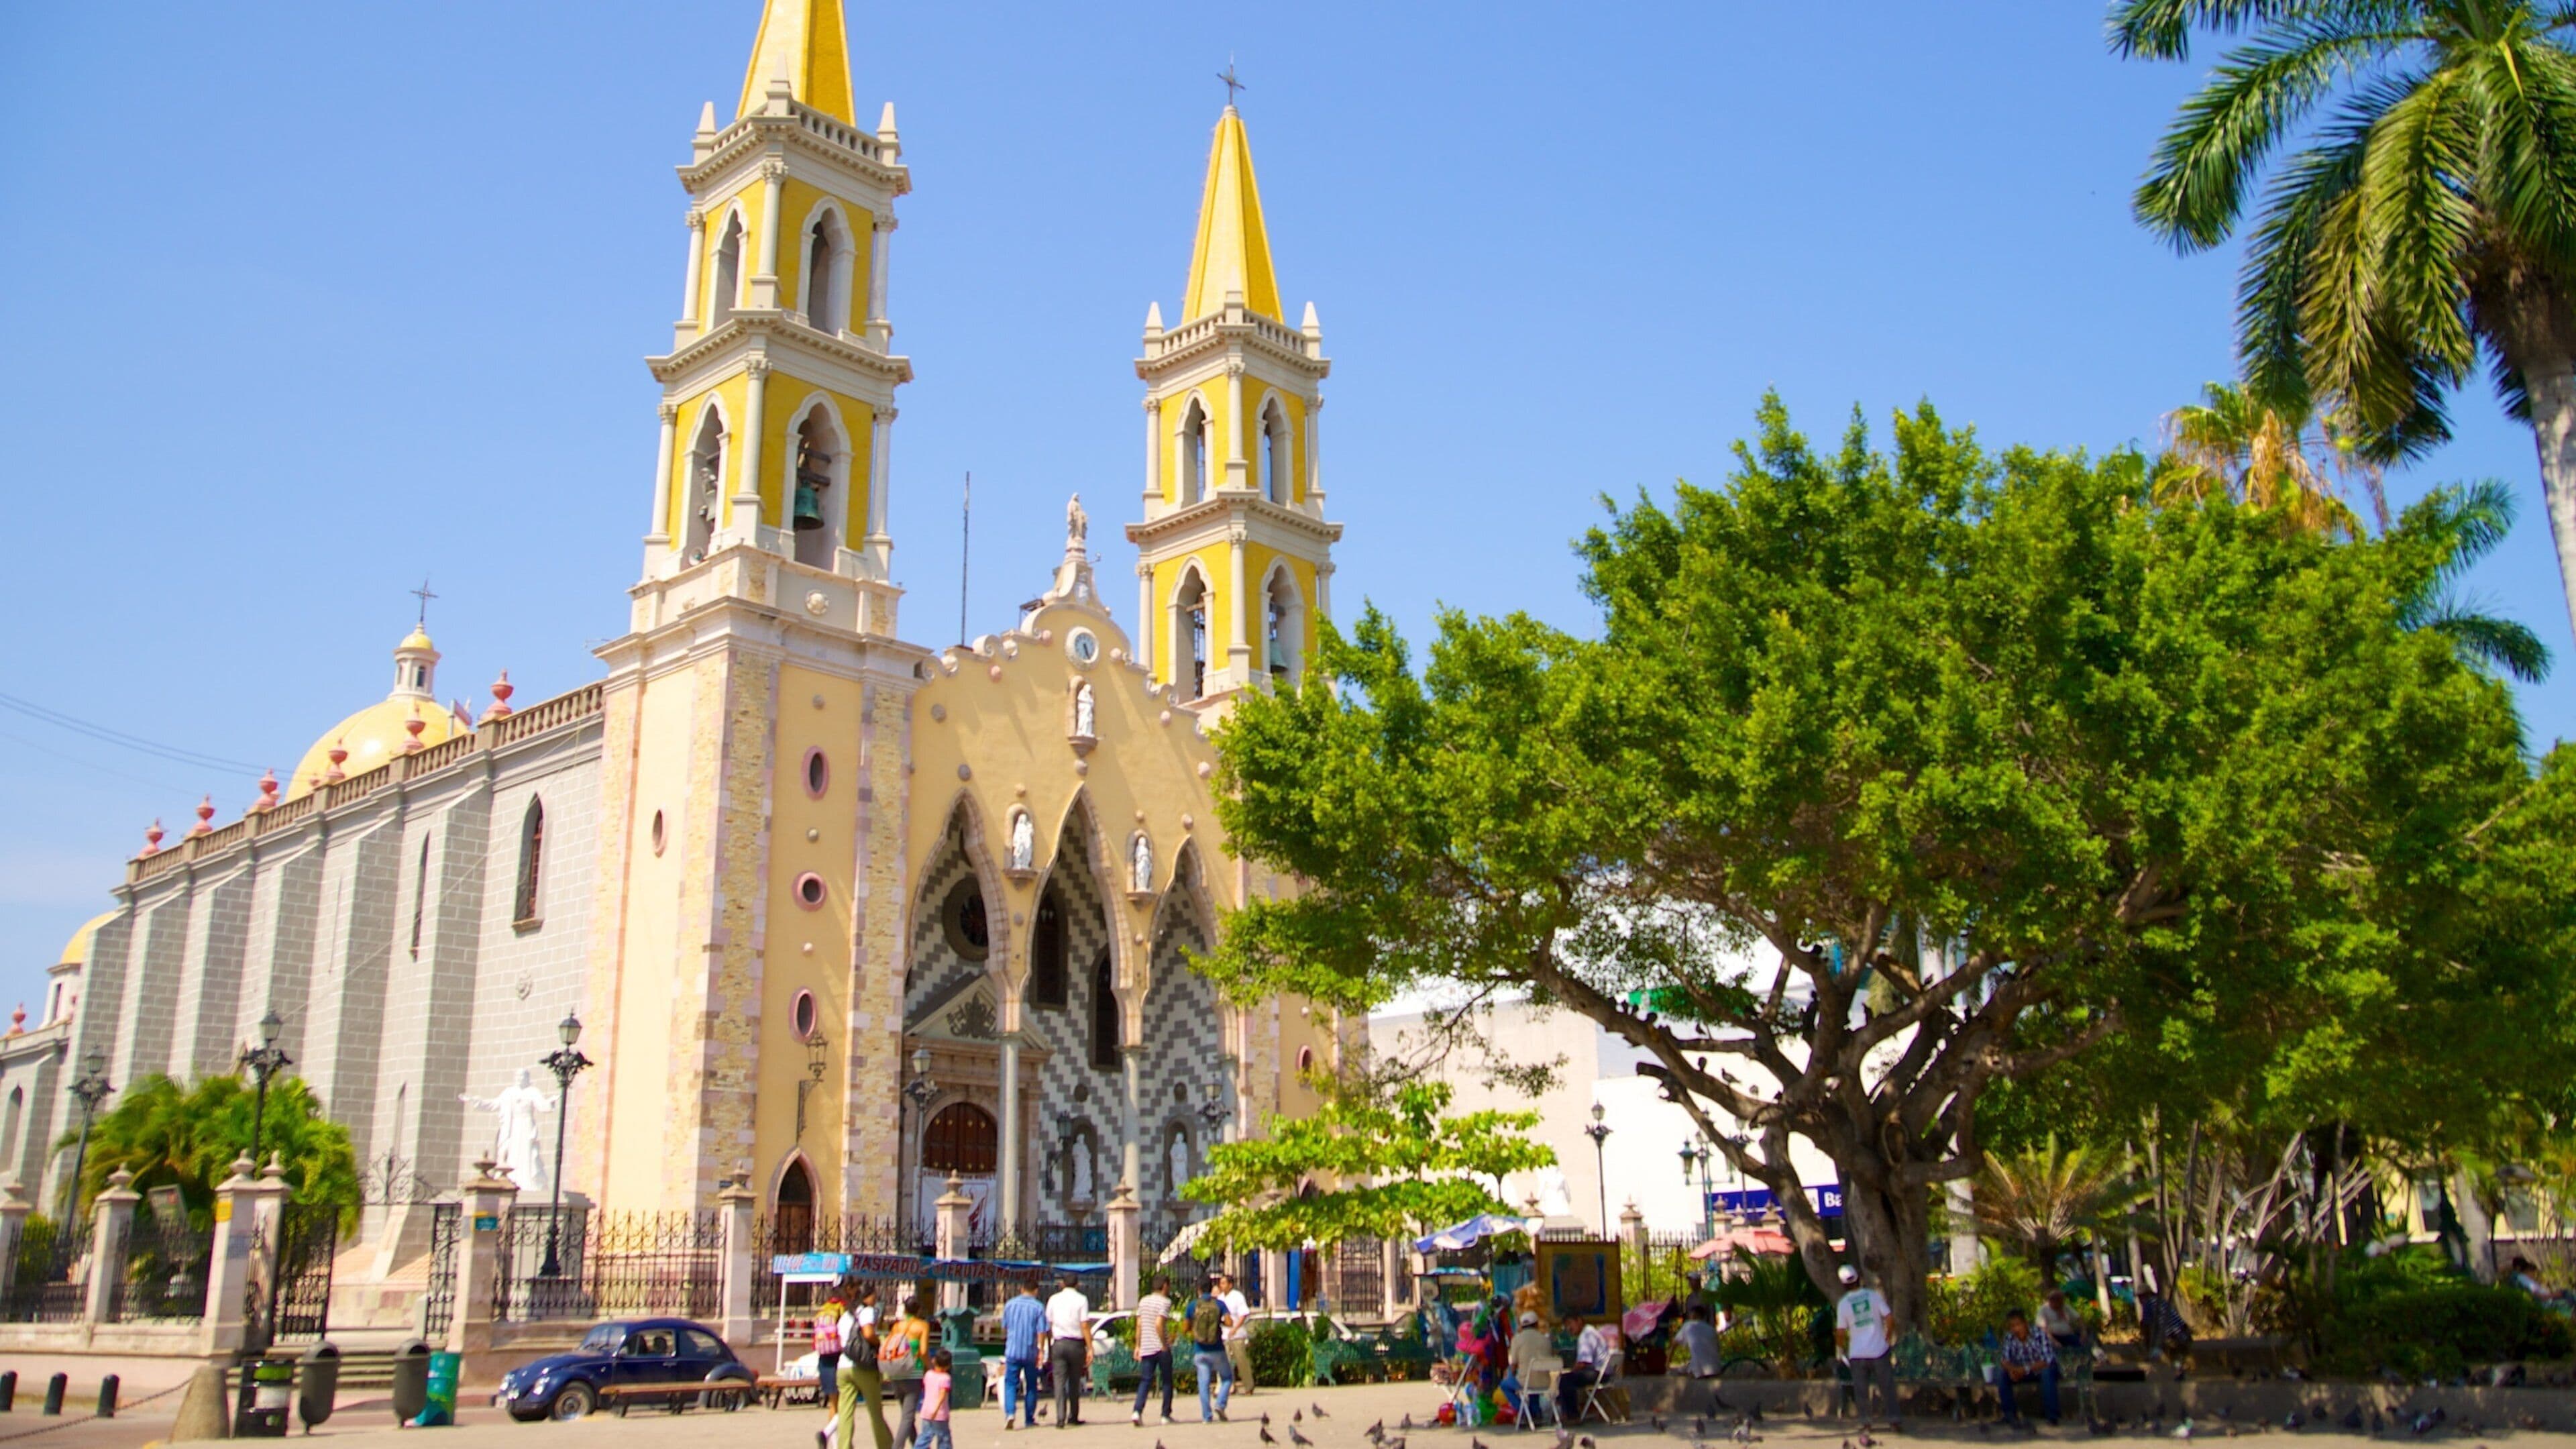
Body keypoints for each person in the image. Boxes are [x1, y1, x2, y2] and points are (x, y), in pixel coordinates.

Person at [1834, 1265, 1900, 1431]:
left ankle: (1866, 1423)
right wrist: (1888, 1335)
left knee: (1861, 1391)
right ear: (1858, 1278)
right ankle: (1894, 1421)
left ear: (1843, 1284)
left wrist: (1840, 1350)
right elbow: (1889, 1318)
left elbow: (1841, 1332)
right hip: (1879, 1350)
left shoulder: (1844, 1304)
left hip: (1858, 1354)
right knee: (1887, 1387)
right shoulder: (1873, 1296)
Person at [835, 1286, 892, 1449]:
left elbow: (841, 1341)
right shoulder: (866, 1311)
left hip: (843, 1366)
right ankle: (886, 1445)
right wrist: (879, 1343)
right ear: (867, 1297)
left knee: (845, 1412)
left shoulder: (845, 1316)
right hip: (863, 1367)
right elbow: (868, 1333)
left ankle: (843, 1446)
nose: (876, 1299)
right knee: (875, 1412)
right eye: (874, 1296)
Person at [880, 1295, 934, 1449]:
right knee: (907, 1416)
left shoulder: (897, 1326)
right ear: (919, 1310)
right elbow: (923, 1351)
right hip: (913, 1373)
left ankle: (919, 1444)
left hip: (896, 1373)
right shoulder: (922, 1326)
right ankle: (897, 1447)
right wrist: (930, 1368)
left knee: (906, 1413)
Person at [1998, 1309, 2061, 1427]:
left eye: (2018, 1325)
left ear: (2025, 1324)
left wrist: (2024, 1369)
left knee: (2047, 1373)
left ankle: (2052, 1416)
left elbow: (2048, 1360)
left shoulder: (2039, 1335)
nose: (2016, 1329)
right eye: (2012, 1326)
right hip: (2021, 1372)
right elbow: (2004, 1360)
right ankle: (2009, 1415)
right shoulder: (2009, 1338)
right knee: (2003, 1375)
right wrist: (2012, 1370)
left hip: (2042, 1370)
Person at [1187, 1273, 1236, 1422]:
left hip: (1200, 1350)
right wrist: (1219, 1322)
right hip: (1217, 1349)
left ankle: (1207, 1416)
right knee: (1227, 1378)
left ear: (1199, 1290)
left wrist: (1195, 1330)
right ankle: (1220, 1404)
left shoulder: (1192, 1305)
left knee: (1204, 1384)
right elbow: (1230, 1323)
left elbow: (1185, 1328)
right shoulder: (1219, 1304)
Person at [1000, 1278, 1047, 1430]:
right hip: (1030, 1352)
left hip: (1012, 1351)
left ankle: (1010, 1413)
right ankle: (1029, 1419)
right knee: (1031, 1385)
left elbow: (1004, 1328)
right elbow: (1041, 1331)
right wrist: (1041, 1349)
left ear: (1022, 1289)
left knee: (1011, 1384)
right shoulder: (1038, 1307)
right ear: (1036, 1291)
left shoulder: (1010, 1304)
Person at [1046, 1273, 1091, 1428]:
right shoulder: (1082, 1299)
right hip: (1076, 1345)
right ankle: (1073, 1416)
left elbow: (1049, 1324)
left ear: (1063, 1284)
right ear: (1077, 1284)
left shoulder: (1053, 1299)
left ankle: (1060, 1418)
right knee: (1074, 1381)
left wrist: (1050, 1343)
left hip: (1059, 1343)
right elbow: (1084, 1325)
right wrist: (1090, 1347)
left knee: (1059, 1381)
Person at [1132, 1271, 1177, 1426]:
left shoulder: (1143, 1301)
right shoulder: (1165, 1302)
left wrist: (1137, 1345)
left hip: (1146, 1346)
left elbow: (1139, 1324)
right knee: (1166, 1381)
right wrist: (1164, 1343)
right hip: (1160, 1347)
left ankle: (1137, 1411)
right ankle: (1165, 1414)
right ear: (1165, 1286)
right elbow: (1159, 1324)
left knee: (1145, 1380)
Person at [1555, 1313, 1608, 1422]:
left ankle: (1572, 1415)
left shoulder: (1586, 1335)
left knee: (1565, 1380)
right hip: (1605, 1373)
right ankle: (1568, 1412)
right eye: (1566, 1326)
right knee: (1568, 1378)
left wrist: (1571, 1371)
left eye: (1570, 1324)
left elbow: (1583, 1363)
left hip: (1598, 1373)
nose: (1569, 1328)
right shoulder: (1590, 1331)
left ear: (1579, 1321)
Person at [1507, 1309, 1558, 1413]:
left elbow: (1514, 1365)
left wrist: (1510, 1375)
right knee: (1532, 1378)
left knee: (1505, 1385)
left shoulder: (1517, 1339)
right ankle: (1536, 1412)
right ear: (1537, 1324)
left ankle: (1525, 1412)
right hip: (1545, 1382)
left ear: (1521, 1326)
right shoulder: (1545, 1339)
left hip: (1525, 1382)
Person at [1217, 1272, 1254, 1395]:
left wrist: (1235, 1328)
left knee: (1241, 1360)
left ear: (1230, 1285)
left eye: (1224, 1283)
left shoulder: (1238, 1297)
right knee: (1224, 1361)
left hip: (1237, 1334)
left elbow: (1244, 1314)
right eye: (1221, 1283)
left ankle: (1249, 1386)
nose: (1221, 1285)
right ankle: (1228, 1386)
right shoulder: (1220, 1298)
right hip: (1224, 1335)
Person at [916, 1349, 954, 1449]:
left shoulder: (928, 1375)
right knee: (944, 1438)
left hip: (926, 1411)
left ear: (934, 1361)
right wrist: (936, 1409)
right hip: (940, 1414)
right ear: (948, 1365)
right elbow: (942, 1395)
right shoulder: (945, 1378)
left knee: (925, 1436)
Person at [1674, 1303, 1723, 1379]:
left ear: (1694, 1315)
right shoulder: (1711, 1329)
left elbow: (1674, 1344)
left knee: (1680, 1372)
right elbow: (1718, 1349)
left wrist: (1666, 1364)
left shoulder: (1688, 1325)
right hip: (1716, 1369)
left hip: (1699, 1370)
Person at [2038, 1289, 2086, 1354]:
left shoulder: (2065, 1307)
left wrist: (2083, 1332)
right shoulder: (2043, 1310)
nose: (2061, 1304)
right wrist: (2054, 1341)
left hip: (2067, 1335)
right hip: (2053, 1337)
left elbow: (2079, 1318)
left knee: (2080, 1345)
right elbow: (2043, 1329)